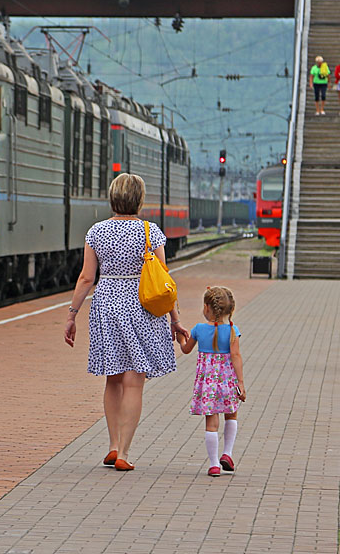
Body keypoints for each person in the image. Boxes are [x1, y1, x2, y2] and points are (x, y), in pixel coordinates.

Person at [63, 173, 189, 472]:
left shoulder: (96, 232)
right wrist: (175, 318)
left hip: (106, 303)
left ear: (112, 197)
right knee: (135, 381)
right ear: (140, 200)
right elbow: (163, 280)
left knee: (113, 377)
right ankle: (125, 452)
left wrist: (72, 314)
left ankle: (112, 445)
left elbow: (86, 278)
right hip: (143, 306)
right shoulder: (150, 231)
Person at [178, 286, 246, 477]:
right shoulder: (233, 330)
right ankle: (228, 453)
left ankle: (214, 464)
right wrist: (240, 382)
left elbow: (186, 350)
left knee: (212, 422)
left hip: (207, 383)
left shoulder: (199, 330)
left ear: (207, 307)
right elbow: (236, 356)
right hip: (227, 380)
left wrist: (180, 340)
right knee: (231, 414)